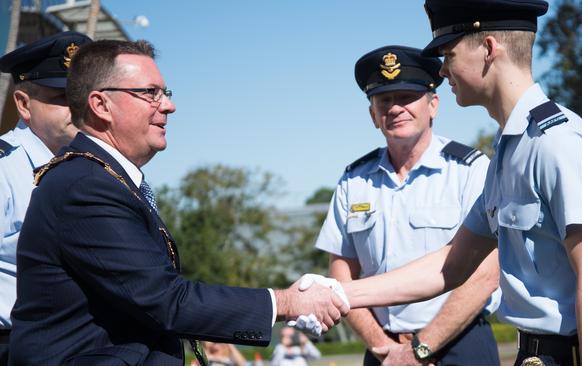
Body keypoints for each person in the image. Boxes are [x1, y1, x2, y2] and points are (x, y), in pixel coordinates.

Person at [311, 1, 582, 365]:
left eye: (449, 54)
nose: (445, 70)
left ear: (487, 50)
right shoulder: (509, 150)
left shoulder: (555, 143)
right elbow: (449, 265)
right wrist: (336, 292)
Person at [9, 39, 348, 365]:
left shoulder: (102, 177)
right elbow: (166, 301)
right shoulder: (84, 185)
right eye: (149, 93)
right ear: (101, 105)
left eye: (165, 93)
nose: (168, 105)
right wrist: (287, 302)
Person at [314, 45, 500, 366]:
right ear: (373, 115)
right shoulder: (353, 180)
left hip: (460, 345)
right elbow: (342, 272)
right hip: (382, 350)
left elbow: (486, 273)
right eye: (385, 100)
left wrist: (420, 348)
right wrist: (383, 347)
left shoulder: (470, 170)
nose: (396, 108)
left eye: (407, 97)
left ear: (433, 105)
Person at [0, 30, 92, 364]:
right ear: (24, 104)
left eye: (84, 96)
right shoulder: (4, 169)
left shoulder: (94, 169)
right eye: (63, 97)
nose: (79, 108)